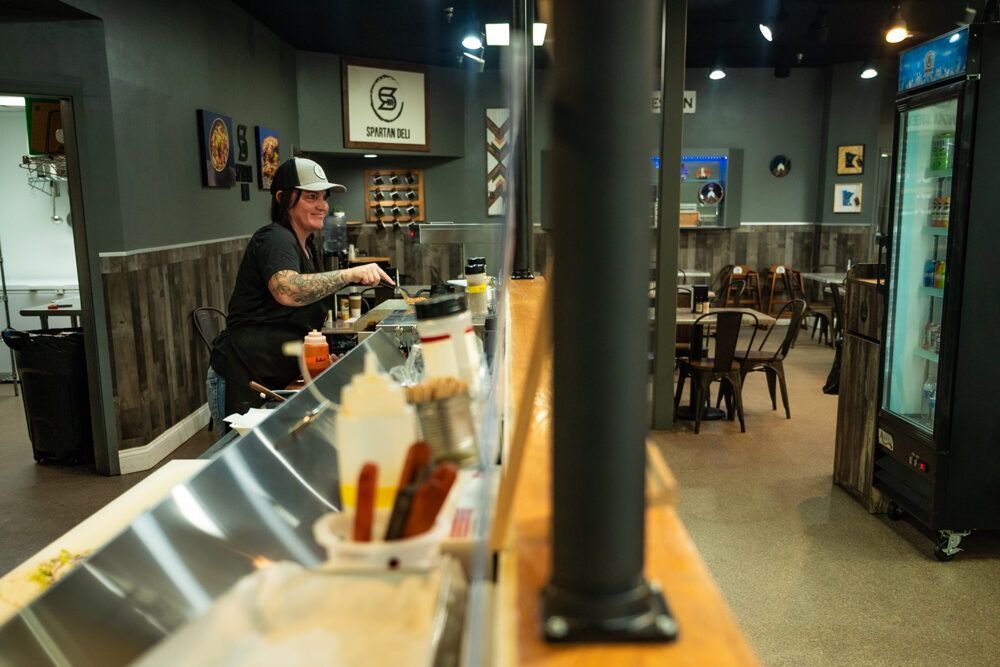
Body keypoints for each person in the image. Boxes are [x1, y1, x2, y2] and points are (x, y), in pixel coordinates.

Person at [208, 157, 393, 423]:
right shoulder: (274, 238)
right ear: (283, 198)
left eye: (324, 197)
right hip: (244, 374)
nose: (322, 205)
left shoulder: (306, 246)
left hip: (273, 375)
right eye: (311, 197)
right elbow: (288, 290)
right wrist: (349, 274)